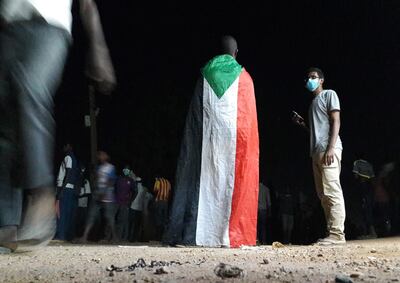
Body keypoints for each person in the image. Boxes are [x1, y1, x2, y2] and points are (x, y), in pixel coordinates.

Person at [0, 0, 116, 253]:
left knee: (30, 90)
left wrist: (98, 48)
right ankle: (5, 224)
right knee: (5, 127)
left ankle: (41, 197)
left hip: (49, 28)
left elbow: (87, 3)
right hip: (8, 29)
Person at [162, 35, 259, 248]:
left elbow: (195, 119)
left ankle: (189, 234)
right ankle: (229, 234)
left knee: (200, 181)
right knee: (229, 183)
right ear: (235, 53)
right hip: (234, 145)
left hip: (207, 140)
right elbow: (249, 126)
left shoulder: (205, 74)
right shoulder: (245, 79)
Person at [292, 67, 346, 246]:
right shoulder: (313, 104)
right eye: (308, 78)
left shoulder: (329, 94)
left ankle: (338, 234)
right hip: (316, 151)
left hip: (328, 150)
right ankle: (332, 232)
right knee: (323, 194)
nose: (310, 80)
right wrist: (303, 125)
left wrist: (331, 148)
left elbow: (335, 120)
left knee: (332, 190)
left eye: (314, 77)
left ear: (321, 80)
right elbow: (317, 131)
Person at [79, 150, 117, 243]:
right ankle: (84, 236)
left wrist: (104, 191)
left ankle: (115, 237)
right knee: (91, 215)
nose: (99, 157)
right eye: (99, 155)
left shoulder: (110, 168)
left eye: (102, 155)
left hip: (107, 195)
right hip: (98, 194)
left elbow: (111, 181)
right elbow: (96, 181)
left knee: (109, 217)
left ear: (107, 157)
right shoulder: (99, 168)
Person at [54, 143, 82, 241]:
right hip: (70, 188)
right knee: (67, 213)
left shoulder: (68, 157)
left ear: (69, 146)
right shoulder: (74, 158)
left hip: (64, 188)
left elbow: (68, 173)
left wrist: (61, 190)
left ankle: (60, 235)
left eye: (65, 146)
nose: (63, 148)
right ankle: (66, 235)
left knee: (61, 212)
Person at [352, 153, 377, 239]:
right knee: (369, 209)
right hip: (369, 187)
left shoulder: (357, 162)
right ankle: (372, 232)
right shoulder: (369, 164)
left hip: (362, 186)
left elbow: (355, 175)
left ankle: (369, 233)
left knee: (363, 210)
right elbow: (372, 178)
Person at [114, 166, 136, 242]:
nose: (126, 171)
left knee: (122, 220)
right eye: (125, 169)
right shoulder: (118, 179)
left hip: (125, 203)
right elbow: (113, 188)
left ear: (129, 171)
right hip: (116, 202)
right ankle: (109, 237)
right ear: (123, 170)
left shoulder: (131, 180)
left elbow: (135, 191)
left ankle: (120, 238)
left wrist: (131, 201)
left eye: (127, 169)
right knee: (112, 218)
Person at [153, 176, 171, 240]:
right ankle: (163, 237)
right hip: (165, 203)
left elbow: (155, 190)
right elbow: (169, 192)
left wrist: (155, 199)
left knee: (158, 218)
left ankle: (157, 237)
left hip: (159, 202)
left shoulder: (158, 181)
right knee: (164, 219)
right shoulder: (168, 182)